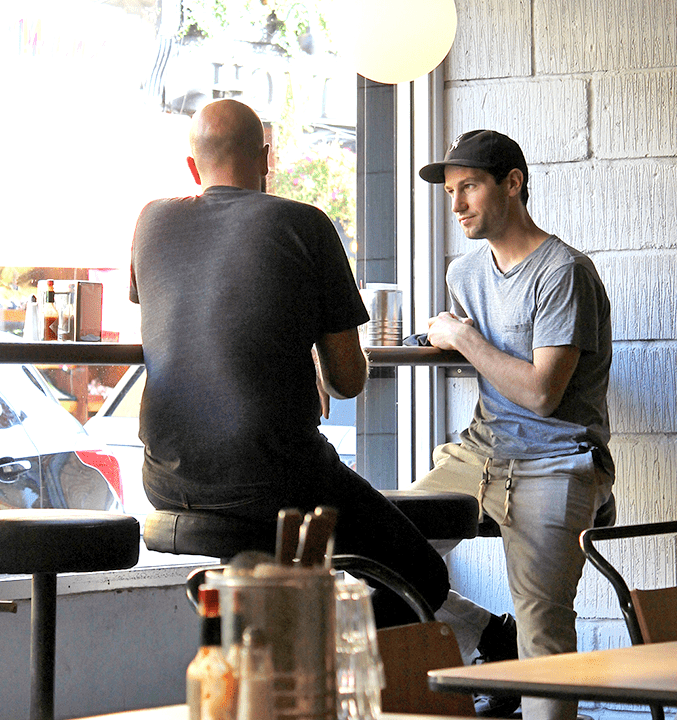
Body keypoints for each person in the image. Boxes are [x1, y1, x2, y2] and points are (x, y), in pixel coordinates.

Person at [129, 98, 449, 627]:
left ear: (193, 167)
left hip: (164, 477)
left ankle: (280, 650)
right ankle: (314, 659)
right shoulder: (305, 223)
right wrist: (312, 361)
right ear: (267, 158)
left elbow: (197, 317)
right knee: (424, 578)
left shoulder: (151, 220)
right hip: (271, 478)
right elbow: (347, 381)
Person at [415, 129, 615, 720]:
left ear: (512, 183)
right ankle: (484, 636)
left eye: (469, 187)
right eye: (451, 191)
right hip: (482, 452)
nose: (456, 206)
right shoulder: (464, 273)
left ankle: (514, 653)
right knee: (374, 553)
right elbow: (486, 364)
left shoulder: (563, 272)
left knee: (543, 637)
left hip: (558, 458)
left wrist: (461, 336)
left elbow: (541, 392)